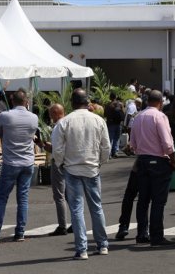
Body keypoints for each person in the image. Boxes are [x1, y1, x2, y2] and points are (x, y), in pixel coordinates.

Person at [54, 88, 111, 260]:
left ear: (72, 103)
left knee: (77, 210)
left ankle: (82, 249)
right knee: (96, 207)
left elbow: (57, 148)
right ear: (87, 102)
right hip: (92, 168)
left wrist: (61, 163)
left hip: (72, 169)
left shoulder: (64, 122)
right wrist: (100, 162)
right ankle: (102, 245)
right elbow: (106, 146)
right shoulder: (98, 120)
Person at [0, 91, 39, 244]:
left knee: (1, 198)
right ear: (27, 101)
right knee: (23, 198)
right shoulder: (34, 117)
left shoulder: (5, 116)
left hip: (11, 162)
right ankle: (20, 232)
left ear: (12, 101)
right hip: (27, 162)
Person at [130, 90, 175, 247]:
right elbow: (167, 143)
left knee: (143, 200)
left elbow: (133, 143)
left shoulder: (138, 117)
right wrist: (174, 160)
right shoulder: (160, 116)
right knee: (158, 201)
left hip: (142, 160)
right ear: (160, 102)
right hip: (158, 161)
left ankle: (142, 234)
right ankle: (157, 236)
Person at [42, 103, 71, 236]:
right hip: (70, 161)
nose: (50, 117)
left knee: (59, 195)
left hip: (59, 162)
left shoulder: (58, 125)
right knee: (70, 195)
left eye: (51, 115)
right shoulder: (69, 122)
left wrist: (42, 145)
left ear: (56, 113)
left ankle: (62, 225)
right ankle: (75, 223)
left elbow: (55, 148)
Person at [104, 92, 125, 159]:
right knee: (117, 138)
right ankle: (115, 151)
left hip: (110, 124)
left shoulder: (107, 105)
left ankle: (109, 153)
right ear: (115, 97)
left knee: (110, 138)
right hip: (119, 123)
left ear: (110, 97)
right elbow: (123, 113)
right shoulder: (120, 104)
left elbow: (105, 114)